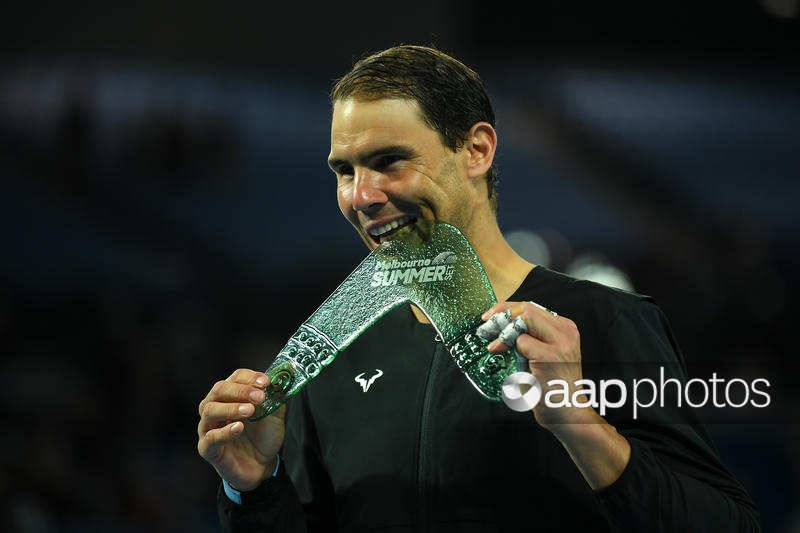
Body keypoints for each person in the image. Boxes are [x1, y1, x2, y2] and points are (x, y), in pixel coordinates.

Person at [197, 44, 761, 532]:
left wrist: (581, 426)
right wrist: (252, 490)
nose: (360, 196)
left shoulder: (606, 323)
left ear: (478, 150)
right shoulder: (336, 357)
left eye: (389, 161)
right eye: (344, 171)